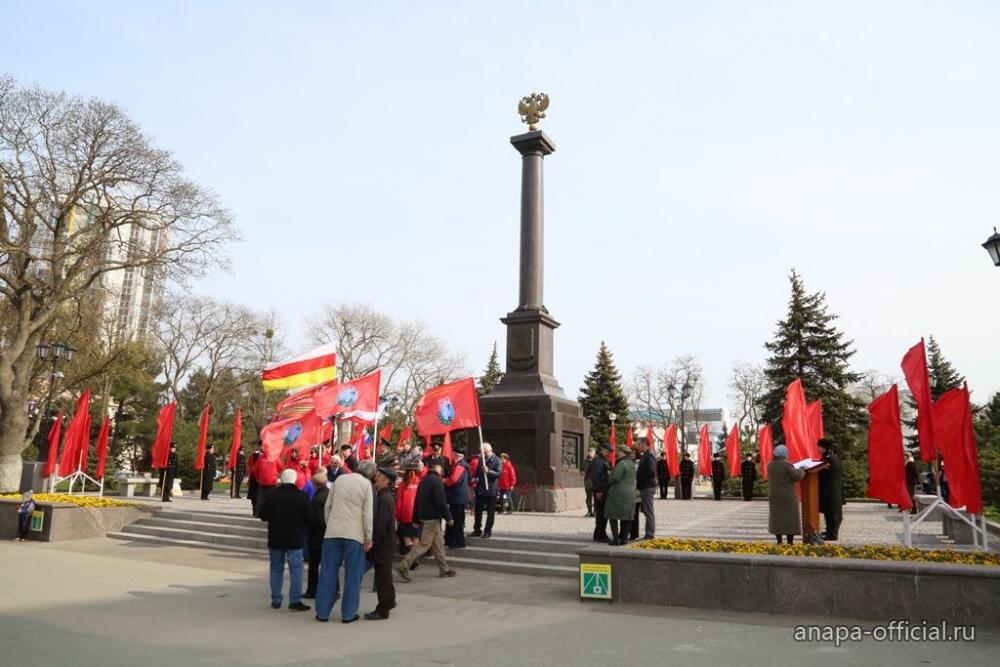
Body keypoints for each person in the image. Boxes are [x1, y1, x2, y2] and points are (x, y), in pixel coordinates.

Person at [315, 460, 375, 624]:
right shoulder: (366, 485)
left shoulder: (340, 480)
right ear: (370, 473)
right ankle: (348, 614)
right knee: (353, 576)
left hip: (333, 532)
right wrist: (368, 538)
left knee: (328, 573)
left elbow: (328, 506)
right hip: (354, 535)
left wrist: (331, 524)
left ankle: (322, 612)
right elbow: (367, 514)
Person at [259, 469, 311, 612]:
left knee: (276, 568)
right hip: (295, 538)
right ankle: (295, 600)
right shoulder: (302, 496)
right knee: (296, 569)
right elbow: (309, 517)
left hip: (276, 537)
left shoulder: (271, 495)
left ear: (282, 479)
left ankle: (276, 599)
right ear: (294, 480)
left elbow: (263, 515)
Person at [397, 463, 456, 581]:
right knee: (424, 544)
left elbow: (416, 501)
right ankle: (403, 566)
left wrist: (415, 519)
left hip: (425, 517)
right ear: (438, 470)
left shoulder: (423, 481)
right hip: (432, 519)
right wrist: (449, 518)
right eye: (442, 471)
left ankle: (444, 569)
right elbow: (440, 501)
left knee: (438, 544)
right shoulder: (437, 481)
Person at [365, 466, 398, 620]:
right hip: (386, 543)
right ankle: (390, 601)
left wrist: (372, 543)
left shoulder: (384, 498)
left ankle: (383, 610)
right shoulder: (385, 495)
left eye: (378, 476)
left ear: (386, 481)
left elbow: (380, 526)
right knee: (385, 576)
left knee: (382, 578)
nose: (376, 478)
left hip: (382, 545)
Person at [768, 445, 806, 544]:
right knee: (790, 519)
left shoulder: (770, 465)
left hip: (775, 496)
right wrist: (802, 469)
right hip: (788, 496)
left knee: (777, 519)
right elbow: (797, 476)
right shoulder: (787, 465)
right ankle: (790, 542)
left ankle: (779, 541)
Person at [303, 470, 329, 599]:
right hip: (326, 535)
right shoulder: (327, 494)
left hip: (316, 537)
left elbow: (316, 519)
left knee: (313, 566)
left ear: (315, 484)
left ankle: (312, 590)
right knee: (326, 565)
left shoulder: (317, 499)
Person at [606, 446, 637, 546]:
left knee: (613, 515)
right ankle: (624, 539)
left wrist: (609, 476)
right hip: (630, 493)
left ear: (624, 453)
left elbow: (616, 478)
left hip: (618, 493)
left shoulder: (622, 463)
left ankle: (615, 540)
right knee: (627, 517)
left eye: (619, 451)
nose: (618, 453)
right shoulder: (632, 464)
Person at [470, 443, 502, 538]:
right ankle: (477, 529)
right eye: (481, 452)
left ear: (489, 451)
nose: (482, 454)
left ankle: (488, 531)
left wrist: (489, 471)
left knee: (490, 512)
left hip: (491, 489)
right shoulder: (481, 460)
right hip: (480, 489)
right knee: (478, 510)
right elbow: (477, 473)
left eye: (484, 452)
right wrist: (475, 478)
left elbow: (499, 474)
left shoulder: (497, 460)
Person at [396, 462, 423, 564]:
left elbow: (399, 502)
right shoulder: (419, 482)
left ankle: (412, 560)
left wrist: (397, 516)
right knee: (416, 538)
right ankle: (415, 559)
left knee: (407, 538)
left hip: (405, 514)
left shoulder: (403, 484)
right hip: (417, 514)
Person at [817, 439, 844, 541]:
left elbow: (825, 474)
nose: (818, 449)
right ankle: (829, 530)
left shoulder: (829, 459)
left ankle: (832, 534)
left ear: (823, 448)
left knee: (831, 513)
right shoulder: (831, 457)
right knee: (829, 512)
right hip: (833, 489)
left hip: (830, 490)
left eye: (819, 447)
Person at [444, 446, 470, 548]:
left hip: (456, 497)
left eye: (453, 453)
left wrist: (444, 481)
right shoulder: (461, 465)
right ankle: (452, 540)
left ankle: (458, 541)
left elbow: (453, 481)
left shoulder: (460, 466)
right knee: (457, 520)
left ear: (455, 455)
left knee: (456, 521)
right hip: (458, 497)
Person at [587, 443, 612, 541]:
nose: (609, 453)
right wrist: (598, 491)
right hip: (601, 491)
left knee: (603, 514)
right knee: (601, 514)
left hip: (604, 490)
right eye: (607, 450)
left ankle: (599, 534)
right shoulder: (598, 461)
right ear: (602, 449)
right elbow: (595, 477)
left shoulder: (604, 460)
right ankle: (600, 535)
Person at [634, 437, 657, 539]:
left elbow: (651, 471)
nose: (637, 446)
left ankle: (650, 534)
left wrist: (641, 478)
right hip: (645, 486)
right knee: (647, 511)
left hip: (647, 486)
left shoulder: (649, 455)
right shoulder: (645, 455)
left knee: (648, 511)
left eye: (638, 444)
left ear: (644, 444)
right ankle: (648, 533)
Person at [254, 454, 281, 518]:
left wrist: (258, 477)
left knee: (260, 499)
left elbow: (255, 469)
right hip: (272, 481)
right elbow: (280, 468)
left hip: (262, 481)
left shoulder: (260, 457)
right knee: (272, 499)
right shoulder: (276, 457)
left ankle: (258, 513)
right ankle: (271, 514)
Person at [247, 442, 263, 513]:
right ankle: (255, 510)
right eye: (262, 446)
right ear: (259, 446)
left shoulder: (267, 455)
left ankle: (259, 510)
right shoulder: (255, 455)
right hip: (255, 478)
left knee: (261, 496)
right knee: (254, 495)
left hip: (262, 479)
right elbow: (251, 465)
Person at [583, 449, 596, 516]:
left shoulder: (596, 461)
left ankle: (595, 511)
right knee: (588, 497)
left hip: (595, 482)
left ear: (594, 453)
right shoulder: (585, 461)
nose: (589, 453)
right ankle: (589, 511)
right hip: (587, 481)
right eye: (589, 452)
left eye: (591, 452)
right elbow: (582, 469)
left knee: (596, 497)